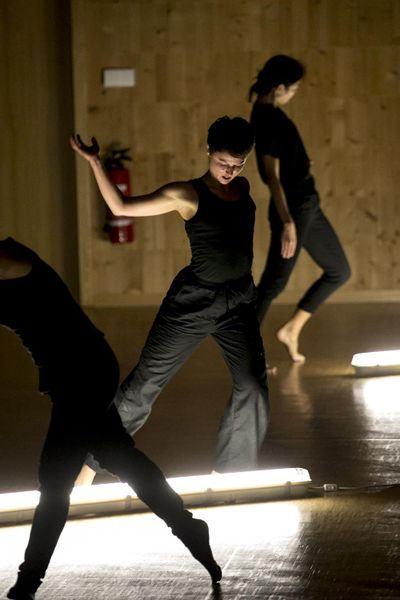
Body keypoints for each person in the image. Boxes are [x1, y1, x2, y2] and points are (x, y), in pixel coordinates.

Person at [0, 237, 221, 600]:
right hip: (74, 374)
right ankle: (190, 528)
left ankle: (28, 582)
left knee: (55, 479)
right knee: (119, 456)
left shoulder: (10, 256)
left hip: (84, 371)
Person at [70, 116, 269, 483]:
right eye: (223, 162)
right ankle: (85, 472)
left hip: (239, 302)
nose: (229, 171)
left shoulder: (242, 188)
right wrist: (95, 162)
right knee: (144, 385)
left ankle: (230, 475)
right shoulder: (186, 194)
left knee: (253, 386)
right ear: (208, 151)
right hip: (193, 303)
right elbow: (121, 207)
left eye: (238, 164)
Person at [249, 54, 351, 362]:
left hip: (308, 204)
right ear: (280, 87)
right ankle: (246, 354)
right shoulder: (267, 118)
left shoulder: (269, 113)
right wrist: (287, 222)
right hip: (294, 209)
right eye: (294, 89)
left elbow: (285, 162)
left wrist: (302, 163)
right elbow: (271, 177)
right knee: (273, 283)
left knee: (339, 270)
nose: (294, 94)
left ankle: (291, 330)